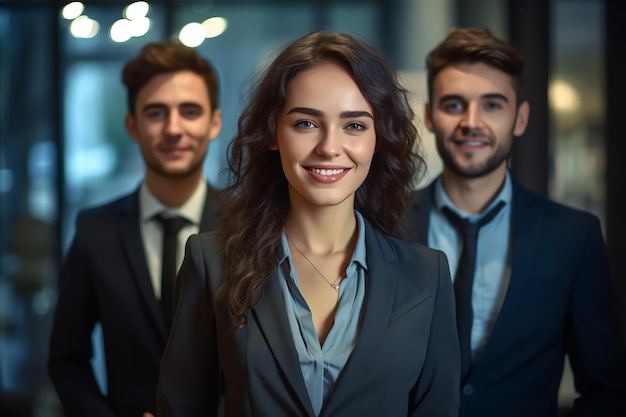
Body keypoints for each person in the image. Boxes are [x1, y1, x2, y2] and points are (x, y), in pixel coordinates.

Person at [156, 31, 460, 417]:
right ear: (272, 134)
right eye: (306, 123)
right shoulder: (212, 262)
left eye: (354, 126)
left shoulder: (426, 276)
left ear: (377, 139)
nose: (330, 147)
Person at [406, 27, 626, 416]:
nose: (471, 122)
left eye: (492, 105)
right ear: (429, 116)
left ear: (520, 118)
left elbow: (606, 389)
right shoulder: (383, 226)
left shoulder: (574, 237)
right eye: (453, 105)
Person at [47, 41, 223, 417]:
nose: (173, 129)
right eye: (156, 113)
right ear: (132, 126)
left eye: (189, 111)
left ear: (214, 123)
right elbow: (66, 358)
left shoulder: (251, 227)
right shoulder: (95, 231)